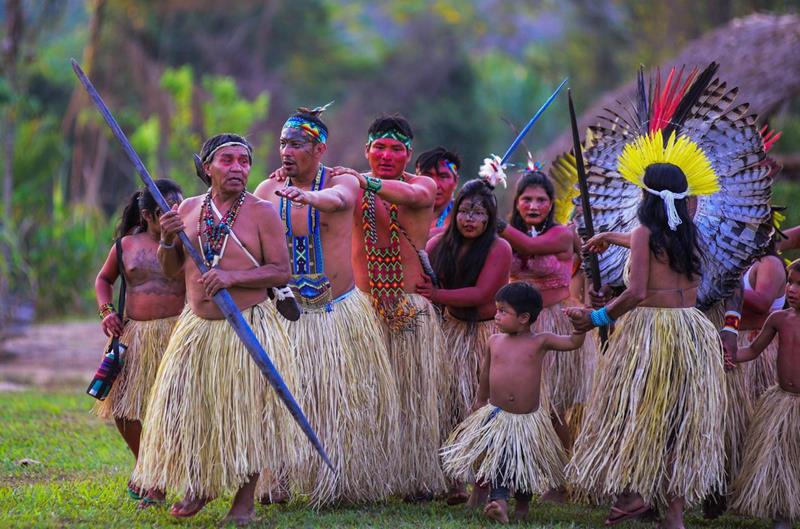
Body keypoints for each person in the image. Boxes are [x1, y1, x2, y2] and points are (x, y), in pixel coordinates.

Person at [132, 133, 296, 526]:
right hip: (197, 329)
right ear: (207, 168)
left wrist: (232, 277)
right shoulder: (187, 209)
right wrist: (169, 240)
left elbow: (281, 271)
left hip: (248, 327)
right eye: (228, 160)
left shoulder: (262, 212)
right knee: (189, 412)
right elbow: (173, 272)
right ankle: (201, 485)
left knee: (248, 416)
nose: (238, 168)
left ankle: (244, 505)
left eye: (244, 161)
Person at [567, 162, 726, 529]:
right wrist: (612, 236)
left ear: (646, 197)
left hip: (651, 333)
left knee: (636, 414)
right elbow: (658, 249)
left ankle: (632, 498)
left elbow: (637, 292)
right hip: (690, 333)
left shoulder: (644, 234)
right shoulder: (690, 235)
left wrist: (597, 318)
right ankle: (674, 514)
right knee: (675, 422)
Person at [253, 108, 400, 506]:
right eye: (283, 143)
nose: (286, 151)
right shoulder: (267, 191)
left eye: (296, 144)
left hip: (337, 314)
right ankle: (277, 479)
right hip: (287, 313)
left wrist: (307, 196)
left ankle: (338, 480)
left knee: (339, 401)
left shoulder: (344, 181)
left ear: (319, 149)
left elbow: (337, 202)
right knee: (280, 397)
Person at [331, 113, 446, 498]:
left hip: (410, 305)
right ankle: (363, 478)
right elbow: (322, 194)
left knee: (413, 397)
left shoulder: (422, 185)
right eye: (379, 147)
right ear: (367, 149)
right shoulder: (349, 186)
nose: (386, 154)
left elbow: (412, 198)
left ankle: (414, 478)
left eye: (396, 148)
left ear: (409, 154)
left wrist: (364, 180)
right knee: (364, 396)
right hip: (364, 307)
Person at [441, 282, 585, 523]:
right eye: (496, 310)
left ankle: (522, 505)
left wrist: (580, 325)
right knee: (498, 461)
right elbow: (486, 373)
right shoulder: (494, 341)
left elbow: (572, 343)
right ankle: (498, 503)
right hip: (499, 417)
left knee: (522, 465)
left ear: (524, 317)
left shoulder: (540, 341)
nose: (496, 316)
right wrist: (479, 400)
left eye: (503, 311)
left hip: (526, 421)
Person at [417, 178, 512, 504]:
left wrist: (437, 294)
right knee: (449, 408)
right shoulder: (436, 245)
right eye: (465, 211)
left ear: (490, 218)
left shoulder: (500, 248)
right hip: (451, 333)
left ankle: (483, 487)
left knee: (483, 410)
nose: (471, 219)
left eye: (479, 213)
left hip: (487, 337)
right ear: (455, 212)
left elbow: (482, 294)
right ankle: (454, 482)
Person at [93, 179, 185, 501]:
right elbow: (104, 279)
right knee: (123, 408)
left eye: (179, 208)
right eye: (165, 212)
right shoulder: (126, 246)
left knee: (170, 411)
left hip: (176, 335)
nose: (174, 215)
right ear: (147, 215)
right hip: (135, 335)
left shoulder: (187, 243)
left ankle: (156, 480)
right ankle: (145, 465)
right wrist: (106, 311)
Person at [497, 170, 596, 457]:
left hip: (553, 324)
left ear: (551, 204)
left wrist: (495, 221)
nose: (534, 206)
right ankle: (520, 467)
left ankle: (564, 469)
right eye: (527, 199)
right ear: (516, 202)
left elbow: (531, 246)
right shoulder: (504, 238)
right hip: (514, 327)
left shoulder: (561, 235)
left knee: (550, 403)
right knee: (514, 400)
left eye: (541, 200)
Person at [730, 259, 800, 529]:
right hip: (783, 402)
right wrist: (727, 354)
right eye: (790, 283)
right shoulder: (779, 319)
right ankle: (782, 514)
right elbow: (751, 351)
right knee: (781, 459)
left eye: (799, 285)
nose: (792, 290)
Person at [739, 241, 787, 400]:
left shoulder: (769, 263)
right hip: (737, 343)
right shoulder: (743, 261)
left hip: (756, 346)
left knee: (750, 405)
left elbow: (762, 303)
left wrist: (725, 283)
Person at [415, 147, 461, 238]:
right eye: (428, 176)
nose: (435, 185)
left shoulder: (465, 218)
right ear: (415, 179)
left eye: (443, 176)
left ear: (456, 182)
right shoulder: (399, 212)